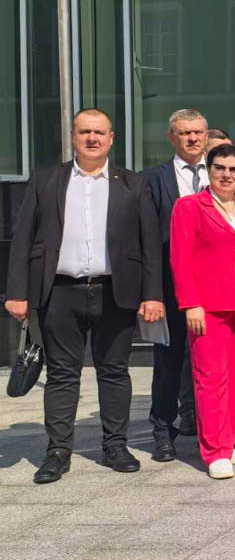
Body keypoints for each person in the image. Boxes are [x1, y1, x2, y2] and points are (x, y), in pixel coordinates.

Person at [5, 109, 163, 485]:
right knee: (62, 374)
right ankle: (58, 451)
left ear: (111, 138)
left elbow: (150, 244)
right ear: (73, 136)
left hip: (115, 291)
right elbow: (23, 237)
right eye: (85, 132)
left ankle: (115, 446)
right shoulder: (46, 180)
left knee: (114, 371)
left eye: (99, 132)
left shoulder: (134, 184)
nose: (92, 138)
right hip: (59, 291)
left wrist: (153, 294)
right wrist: (16, 292)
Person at [170, 143, 235, 479]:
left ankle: (227, 442)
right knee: (211, 378)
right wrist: (191, 304)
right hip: (208, 307)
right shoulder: (190, 207)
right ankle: (214, 451)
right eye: (220, 168)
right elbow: (181, 259)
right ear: (209, 170)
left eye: (233, 169)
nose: (226, 175)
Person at [141, 108, 209, 461]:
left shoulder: (223, 173)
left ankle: (210, 429)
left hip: (214, 287)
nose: (193, 138)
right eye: (185, 133)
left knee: (210, 362)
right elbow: (148, 241)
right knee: (168, 362)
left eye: (198, 132)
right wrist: (151, 292)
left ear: (207, 135)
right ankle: (163, 431)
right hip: (170, 287)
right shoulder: (153, 179)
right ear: (172, 137)